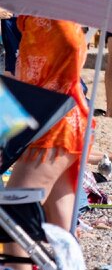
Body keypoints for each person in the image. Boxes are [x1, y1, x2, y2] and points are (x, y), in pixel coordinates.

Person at [6, 17, 88, 230]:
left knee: (14, 213)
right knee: (60, 219)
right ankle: (65, 263)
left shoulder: (51, 17)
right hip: (53, 118)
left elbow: (70, 46)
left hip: (55, 122)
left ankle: (18, 265)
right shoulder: (31, 20)